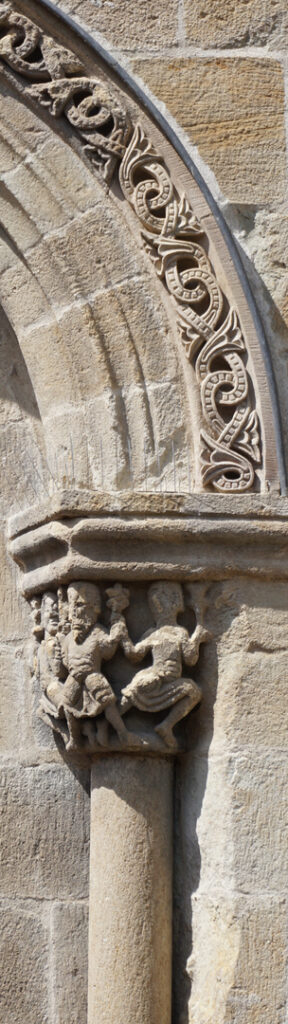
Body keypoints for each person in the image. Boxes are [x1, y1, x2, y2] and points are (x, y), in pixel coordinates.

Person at [120, 581, 208, 749]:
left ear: (176, 604)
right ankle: (112, 719)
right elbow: (134, 655)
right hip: (155, 676)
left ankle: (166, 726)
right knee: (140, 687)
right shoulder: (152, 633)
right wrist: (122, 635)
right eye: (154, 603)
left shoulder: (180, 632)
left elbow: (190, 659)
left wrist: (197, 637)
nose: (158, 606)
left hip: (172, 683)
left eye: (163, 601)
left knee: (193, 692)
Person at [59, 581, 140, 750]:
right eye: (72, 607)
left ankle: (123, 733)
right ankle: (75, 738)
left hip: (92, 675)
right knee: (66, 704)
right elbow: (65, 659)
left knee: (108, 702)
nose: (74, 613)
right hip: (74, 676)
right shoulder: (68, 638)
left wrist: (115, 635)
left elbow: (108, 652)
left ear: (94, 608)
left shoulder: (97, 631)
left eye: (80, 605)